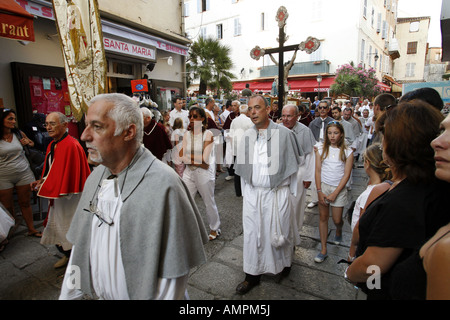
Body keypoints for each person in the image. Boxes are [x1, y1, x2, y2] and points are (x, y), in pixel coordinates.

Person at [59, 93, 207, 300]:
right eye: (86, 125)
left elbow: (173, 274)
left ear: (129, 132)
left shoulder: (165, 185)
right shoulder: (95, 178)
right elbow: (80, 250)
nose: (84, 136)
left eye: (97, 126)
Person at [345, 100, 447, 300]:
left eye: (385, 137)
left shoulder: (404, 200)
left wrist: (350, 273)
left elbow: (373, 266)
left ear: (399, 144)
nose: (381, 144)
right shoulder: (434, 185)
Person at [234, 95, 302, 294]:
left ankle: (283, 265)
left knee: (278, 232)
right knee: (252, 235)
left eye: (257, 108)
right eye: (250, 109)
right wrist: (247, 194)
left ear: (268, 110)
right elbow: (244, 171)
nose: (253, 112)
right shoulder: (247, 135)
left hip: (277, 194)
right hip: (254, 195)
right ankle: (251, 275)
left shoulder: (284, 134)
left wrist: (291, 196)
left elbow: (293, 169)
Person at [32, 112, 90, 269]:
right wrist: (42, 181)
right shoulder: (52, 144)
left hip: (70, 197)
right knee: (58, 226)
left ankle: (76, 260)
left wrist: (52, 185)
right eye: (47, 124)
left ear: (65, 125)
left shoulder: (71, 145)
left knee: (70, 226)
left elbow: (71, 175)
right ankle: (67, 255)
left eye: (53, 124)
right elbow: (52, 170)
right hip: (58, 196)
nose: (48, 127)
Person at [314, 121, 353, 263]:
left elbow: (346, 174)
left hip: (339, 189)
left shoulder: (348, 152)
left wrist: (336, 193)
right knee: (323, 217)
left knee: (337, 219)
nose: (332, 136)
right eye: (329, 133)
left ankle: (338, 229)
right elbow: (317, 170)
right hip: (324, 187)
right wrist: (319, 190)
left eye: (335, 133)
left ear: (341, 134)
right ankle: (323, 249)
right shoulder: (321, 149)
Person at [180, 106, 221, 241]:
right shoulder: (187, 135)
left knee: (208, 202)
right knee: (185, 201)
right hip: (188, 172)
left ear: (203, 119)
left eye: (195, 116)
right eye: (190, 116)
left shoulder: (208, 134)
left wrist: (189, 157)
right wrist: (193, 158)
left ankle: (215, 228)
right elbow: (181, 157)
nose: (191, 119)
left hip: (204, 173)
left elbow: (205, 162)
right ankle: (187, 227)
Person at [0, 109, 42, 238]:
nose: (14, 122)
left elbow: (32, 143)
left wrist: (28, 142)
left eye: (14, 119)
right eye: (10, 119)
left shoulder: (18, 133)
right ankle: (8, 234)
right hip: (4, 175)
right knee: (7, 206)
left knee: (25, 203)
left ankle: (31, 229)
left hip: (23, 173)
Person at [347, 143, 392, 261]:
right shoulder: (387, 186)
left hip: (362, 247)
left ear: (367, 164)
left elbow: (360, 227)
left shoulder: (369, 194)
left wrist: (351, 253)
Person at [281, 104, 316, 232]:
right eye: (283, 116)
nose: (285, 119)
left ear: (297, 116)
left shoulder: (305, 131)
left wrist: (308, 177)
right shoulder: (277, 129)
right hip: (281, 173)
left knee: (296, 203)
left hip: (299, 172)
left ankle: (294, 232)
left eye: (289, 116)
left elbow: (310, 155)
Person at [307, 100, 334, 208]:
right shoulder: (313, 123)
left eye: (324, 108)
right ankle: (314, 199)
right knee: (315, 175)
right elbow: (309, 138)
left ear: (328, 109)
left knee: (328, 173)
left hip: (329, 150)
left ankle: (328, 196)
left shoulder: (333, 122)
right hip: (316, 150)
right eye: (320, 108)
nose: (322, 110)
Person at [229, 103, 253, 197]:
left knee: (237, 170)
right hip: (246, 147)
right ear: (247, 111)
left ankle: (238, 191)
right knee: (246, 169)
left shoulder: (234, 121)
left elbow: (230, 134)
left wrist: (232, 147)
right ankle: (246, 190)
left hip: (236, 147)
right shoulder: (249, 121)